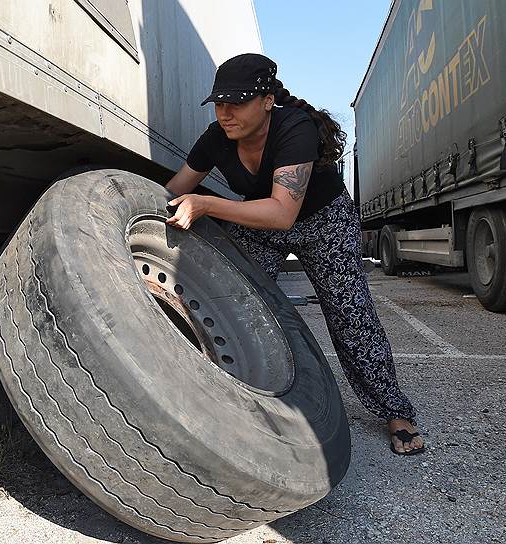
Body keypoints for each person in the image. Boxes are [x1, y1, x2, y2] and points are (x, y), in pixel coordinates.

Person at [165, 53, 424, 455]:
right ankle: (241, 396)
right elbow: (175, 187)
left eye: (237, 102)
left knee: (350, 316)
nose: (225, 112)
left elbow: (283, 212)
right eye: (219, 103)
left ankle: (394, 410)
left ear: (267, 100)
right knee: (233, 296)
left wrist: (208, 204)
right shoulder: (216, 137)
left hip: (323, 223)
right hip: (262, 226)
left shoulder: (294, 127)